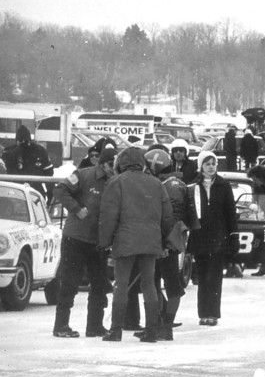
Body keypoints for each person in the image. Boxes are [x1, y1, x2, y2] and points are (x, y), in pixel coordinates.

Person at [98, 147, 173, 343]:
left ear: (121, 162)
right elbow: (167, 216)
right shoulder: (156, 184)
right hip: (151, 240)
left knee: (121, 284)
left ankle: (115, 330)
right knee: (149, 284)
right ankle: (151, 330)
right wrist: (164, 240)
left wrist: (104, 241)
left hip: (125, 240)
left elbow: (108, 216)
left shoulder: (116, 182)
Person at [51, 144, 118, 338]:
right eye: (111, 164)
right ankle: (61, 325)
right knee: (69, 283)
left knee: (99, 285)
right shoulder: (83, 175)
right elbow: (59, 190)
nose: (113, 168)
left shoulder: (115, 182)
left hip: (98, 243)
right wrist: (77, 208)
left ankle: (95, 325)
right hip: (76, 238)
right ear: (102, 163)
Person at [143, 148, 191, 341]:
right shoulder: (171, 183)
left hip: (166, 244)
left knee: (171, 286)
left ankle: (166, 325)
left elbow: (172, 218)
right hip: (165, 242)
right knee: (155, 283)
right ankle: (159, 324)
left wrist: (164, 244)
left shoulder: (171, 185)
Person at [186, 150, 238, 326]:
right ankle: (203, 313)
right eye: (207, 164)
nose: (211, 167)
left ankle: (213, 313)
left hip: (218, 238)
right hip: (200, 237)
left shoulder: (224, 185)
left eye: (213, 163)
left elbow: (231, 212)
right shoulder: (193, 185)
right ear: (201, 166)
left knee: (214, 276)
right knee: (202, 275)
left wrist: (233, 236)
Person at [1, 125, 54, 201]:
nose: (24, 144)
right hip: (15, 193)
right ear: (17, 141)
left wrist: (50, 193)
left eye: (26, 141)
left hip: (36, 193)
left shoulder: (40, 151)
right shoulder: (10, 153)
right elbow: (8, 172)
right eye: (21, 141)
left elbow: (48, 174)